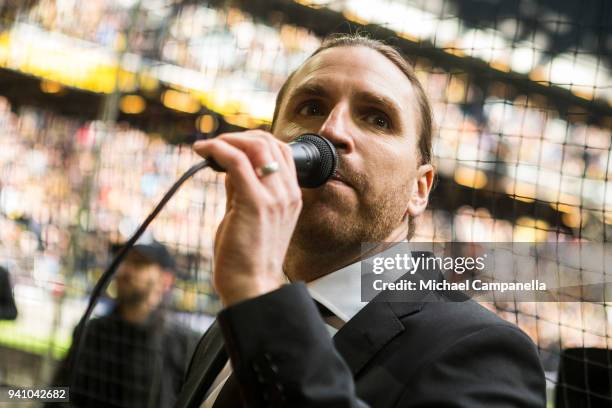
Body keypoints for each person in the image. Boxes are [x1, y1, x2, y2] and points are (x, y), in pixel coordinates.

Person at [176, 34, 546, 407]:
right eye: (310, 107)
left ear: (420, 189)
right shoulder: (231, 327)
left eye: (377, 119)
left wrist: (260, 296)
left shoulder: (482, 352)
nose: (331, 131)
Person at [50, 242, 198, 408]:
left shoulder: (184, 344)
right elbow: (58, 393)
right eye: (123, 260)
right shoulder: (92, 332)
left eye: (139, 263)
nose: (125, 270)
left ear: (166, 280)